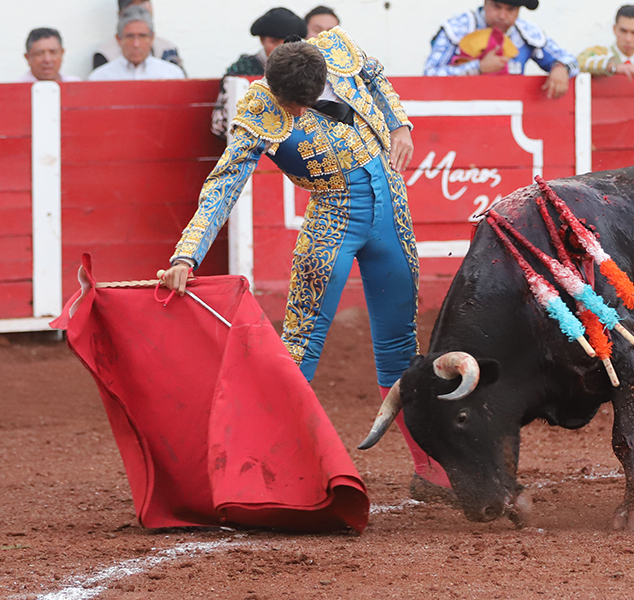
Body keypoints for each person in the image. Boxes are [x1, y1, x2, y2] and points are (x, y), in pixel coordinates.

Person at [160, 29, 453, 501]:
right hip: (331, 223)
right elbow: (224, 184)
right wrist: (186, 253)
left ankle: (432, 470)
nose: (294, 113)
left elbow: (374, 75)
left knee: (400, 347)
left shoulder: (338, 48)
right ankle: (260, 472)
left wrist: (400, 124)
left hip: (391, 212)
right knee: (297, 351)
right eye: (289, 104)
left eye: (301, 104)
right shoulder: (258, 109)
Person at [423, 0, 579, 99]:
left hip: (508, 118)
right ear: (485, 2)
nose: (502, 16)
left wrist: (561, 68)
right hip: (460, 115)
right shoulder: (458, 28)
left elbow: (569, 60)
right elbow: (429, 74)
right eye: (497, 7)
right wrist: (479, 67)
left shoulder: (525, 32)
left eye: (510, 9)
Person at [210, 7, 307, 138]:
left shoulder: (307, 69)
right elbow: (219, 125)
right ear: (262, 40)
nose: (281, 49)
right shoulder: (242, 70)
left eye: (288, 43)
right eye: (273, 42)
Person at [88, 5, 186, 81]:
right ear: (118, 39)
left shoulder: (172, 75)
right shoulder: (100, 78)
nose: (136, 44)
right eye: (130, 36)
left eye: (142, 36)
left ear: (152, 38)